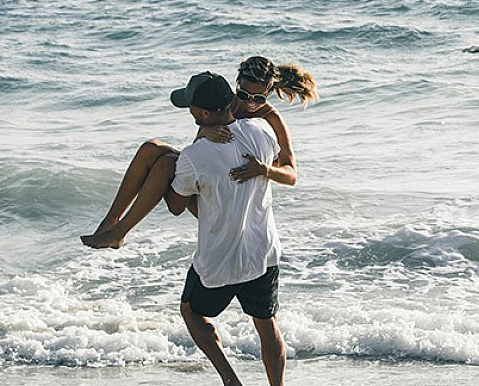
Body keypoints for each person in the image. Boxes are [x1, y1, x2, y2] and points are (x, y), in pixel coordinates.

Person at [159, 71, 291, 386]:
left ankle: (231, 381)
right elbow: (283, 168)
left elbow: (175, 204)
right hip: (261, 254)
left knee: (191, 311)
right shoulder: (263, 133)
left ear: (201, 114)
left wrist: (170, 166)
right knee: (267, 326)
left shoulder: (193, 155)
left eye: (191, 108)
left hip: (218, 260)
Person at [80, 56, 316, 249]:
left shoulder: (271, 119)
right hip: (210, 182)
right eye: (244, 95)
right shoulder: (226, 104)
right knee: (150, 149)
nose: (249, 104)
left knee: (164, 164)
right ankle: (111, 223)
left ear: (269, 92)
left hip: (231, 202)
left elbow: (291, 175)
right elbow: (198, 151)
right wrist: (205, 132)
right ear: (236, 87)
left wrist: (264, 169)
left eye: (259, 98)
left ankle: (119, 232)